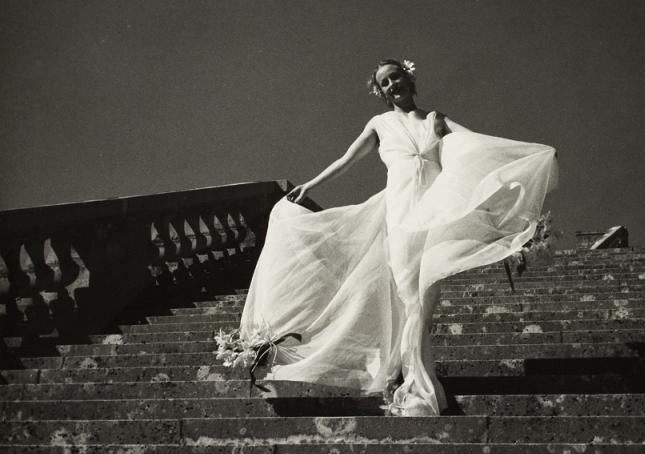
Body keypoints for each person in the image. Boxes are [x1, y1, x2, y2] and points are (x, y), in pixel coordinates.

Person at [217, 57, 558, 416]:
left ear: (409, 81)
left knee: (423, 300)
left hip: (434, 213)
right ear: (381, 92)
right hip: (400, 213)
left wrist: (523, 163)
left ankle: (417, 384)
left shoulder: (435, 119)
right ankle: (417, 387)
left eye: (397, 77)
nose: (393, 85)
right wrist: (312, 185)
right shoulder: (380, 124)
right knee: (410, 296)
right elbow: (347, 159)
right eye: (385, 83)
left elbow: (475, 147)